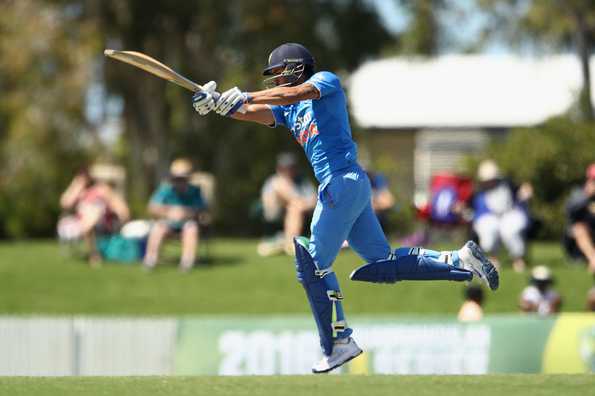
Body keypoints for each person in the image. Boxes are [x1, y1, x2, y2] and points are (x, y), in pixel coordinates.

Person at [191, 42, 499, 373]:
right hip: (347, 187)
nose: (276, 80)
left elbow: (293, 94)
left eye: (279, 73)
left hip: (342, 182)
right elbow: (251, 112)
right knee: (383, 263)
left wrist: (247, 95)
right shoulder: (287, 109)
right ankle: (459, 260)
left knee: (311, 265)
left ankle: (338, 342)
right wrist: (218, 104)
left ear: (295, 67)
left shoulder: (325, 81)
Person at [143, 158, 207, 272]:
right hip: (168, 224)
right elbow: (152, 207)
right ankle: (150, 260)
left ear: (188, 178)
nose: (179, 182)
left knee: (191, 228)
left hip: (187, 223)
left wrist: (186, 213)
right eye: (177, 179)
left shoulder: (195, 191)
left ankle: (187, 262)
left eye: (182, 179)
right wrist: (169, 212)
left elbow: (201, 209)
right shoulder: (165, 189)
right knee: (158, 227)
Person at [59, 165, 130, 266]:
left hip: (101, 221)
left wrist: (123, 216)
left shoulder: (101, 189)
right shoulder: (78, 191)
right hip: (82, 222)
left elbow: (119, 205)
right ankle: (94, 254)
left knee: (92, 214)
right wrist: (76, 186)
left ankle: (94, 255)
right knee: (87, 219)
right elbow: (65, 204)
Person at [471, 160, 533, 272]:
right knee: (488, 231)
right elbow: (472, 208)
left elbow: (521, 190)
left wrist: (525, 191)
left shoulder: (507, 184)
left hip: (510, 213)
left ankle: (518, 259)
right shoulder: (478, 191)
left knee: (510, 231)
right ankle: (493, 258)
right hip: (488, 216)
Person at [258, 152, 317, 256]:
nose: (289, 170)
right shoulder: (274, 181)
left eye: (291, 167)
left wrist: (300, 204)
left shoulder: (302, 182)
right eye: (285, 168)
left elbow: (314, 200)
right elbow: (269, 204)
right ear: (279, 168)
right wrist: (298, 202)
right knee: (293, 205)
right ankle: (290, 243)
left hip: (302, 213)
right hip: (275, 214)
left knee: (294, 208)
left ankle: (287, 242)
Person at [563, 163, 595, 273]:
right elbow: (569, 211)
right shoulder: (578, 193)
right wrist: (586, 196)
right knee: (579, 228)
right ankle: (593, 260)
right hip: (576, 241)